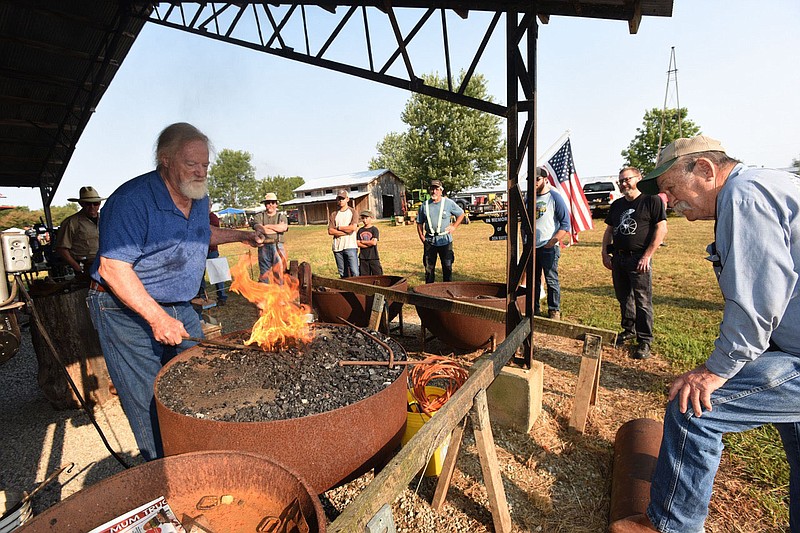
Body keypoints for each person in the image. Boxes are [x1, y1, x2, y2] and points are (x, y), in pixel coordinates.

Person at [610, 135, 800, 533]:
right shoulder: (761, 186)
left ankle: (671, 526)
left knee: (694, 408)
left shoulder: (744, 194)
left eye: (671, 189)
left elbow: (757, 300)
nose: (668, 201)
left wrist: (715, 372)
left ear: (704, 169)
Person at [87, 122, 264, 461]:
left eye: (205, 165)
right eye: (191, 164)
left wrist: (242, 235)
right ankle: (164, 472)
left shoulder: (198, 196)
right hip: (123, 309)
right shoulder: (131, 201)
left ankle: (199, 453)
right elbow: (113, 268)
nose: (200, 172)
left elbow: (200, 234)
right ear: (165, 160)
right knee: (148, 397)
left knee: (201, 378)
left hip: (179, 304)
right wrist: (157, 318)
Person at [601, 167, 667, 360]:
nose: (623, 184)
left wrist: (647, 256)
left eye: (627, 180)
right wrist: (605, 253)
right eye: (620, 181)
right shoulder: (617, 205)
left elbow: (661, 229)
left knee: (642, 300)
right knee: (624, 297)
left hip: (639, 258)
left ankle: (644, 339)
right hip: (619, 258)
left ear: (639, 178)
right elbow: (608, 231)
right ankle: (628, 330)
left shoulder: (651, 200)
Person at [533, 168, 571, 320]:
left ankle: (554, 310)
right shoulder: (530, 198)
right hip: (533, 246)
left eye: (537, 179)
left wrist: (552, 242)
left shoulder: (554, 197)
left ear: (544, 179)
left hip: (548, 247)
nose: (534, 183)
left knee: (551, 279)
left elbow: (565, 224)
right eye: (531, 179)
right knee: (533, 280)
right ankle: (533, 308)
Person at [416, 179, 465, 283]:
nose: (434, 191)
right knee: (429, 268)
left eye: (437, 189)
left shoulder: (448, 203)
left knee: (447, 267)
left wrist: (454, 226)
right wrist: (421, 236)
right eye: (432, 189)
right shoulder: (424, 205)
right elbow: (419, 222)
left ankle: (446, 292)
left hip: (445, 240)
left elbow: (461, 214)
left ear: (441, 191)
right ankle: (428, 293)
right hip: (429, 241)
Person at [54, 186, 104, 280]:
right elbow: (62, 249)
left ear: (99, 203)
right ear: (81, 204)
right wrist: (77, 268)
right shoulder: (71, 222)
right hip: (86, 267)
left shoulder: (105, 219)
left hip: (106, 264)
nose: (92, 207)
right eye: (88, 204)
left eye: (95, 203)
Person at [250, 192, 288, 282]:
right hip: (263, 247)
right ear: (265, 204)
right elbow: (258, 228)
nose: (270, 204)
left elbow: (283, 228)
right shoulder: (259, 216)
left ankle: (279, 294)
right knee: (264, 274)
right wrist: (275, 228)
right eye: (268, 203)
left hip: (278, 246)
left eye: (273, 202)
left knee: (279, 273)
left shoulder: (281, 216)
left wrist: (266, 226)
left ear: (276, 204)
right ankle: (265, 294)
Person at [328, 189, 359, 278]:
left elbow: (353, 228)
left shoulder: (353, 212)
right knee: (343, 274)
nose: (341, 201)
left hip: (350, 246)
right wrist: (346, 231)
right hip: (338, 247)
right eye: (339, 199)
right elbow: (330, 231)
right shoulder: (334, 214)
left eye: (343, 198)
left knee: (355, 272)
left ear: (347, 199)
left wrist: (339, 228)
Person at [200, 211, 227, 305]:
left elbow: (212, 232)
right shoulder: (200, 215)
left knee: (217, 275)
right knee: (200, 276)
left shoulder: (212, 217)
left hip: (212, 251)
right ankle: (202, 297)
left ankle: (222, 297)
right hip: (200, 252)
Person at [357, 210, 383, 275]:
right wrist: (369, 243)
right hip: (363, 257)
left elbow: (374, 242)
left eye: (366, 218)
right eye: (363, 218)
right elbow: (357, 243)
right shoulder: (360, 230)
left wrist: (363, 241)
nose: (364, 220)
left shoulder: (374, 229)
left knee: (377, 274)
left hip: (373, 256)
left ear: (370, 218)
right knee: (364, 276)